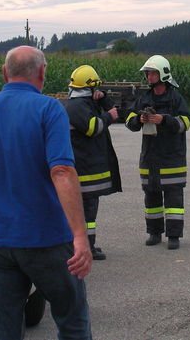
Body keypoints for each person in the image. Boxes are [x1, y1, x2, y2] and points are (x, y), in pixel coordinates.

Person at [0, 46, 93, 340]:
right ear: (42, 72)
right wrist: (79, 235)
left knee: (4, 331)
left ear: (4, 73)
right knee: (72, 322)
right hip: (47, 240)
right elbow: (62, 171)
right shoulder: (50, 109)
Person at [125, 55, 190, 250]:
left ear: (163, 74)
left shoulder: (175, 98)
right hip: (150, 157)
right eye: (147, 73)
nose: (149, 77)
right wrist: (139, 120)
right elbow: (129, 121)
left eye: (152, 73)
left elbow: (186, 122)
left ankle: (173, 236)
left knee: (174, 199)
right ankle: (154, 233)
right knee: (151, 196)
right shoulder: (144, 98)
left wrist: (165, 120)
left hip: (172, 157)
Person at [64, 65, 122, 261]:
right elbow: (93, 127)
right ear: (89, 87)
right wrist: (109, 116)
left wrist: (103, 99)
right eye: (95, 87)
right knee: (86, 211)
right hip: (84, 169)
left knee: (89, 210)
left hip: (86, 167)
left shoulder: (82, 102)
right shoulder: (77, 107)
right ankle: (85, 247)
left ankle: (88, 245)